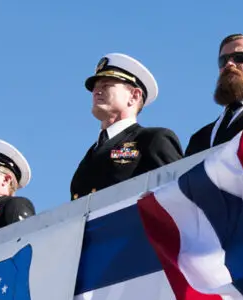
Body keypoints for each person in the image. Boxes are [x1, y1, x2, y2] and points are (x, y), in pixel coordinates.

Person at [70, 53, 182, 200]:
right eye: (95, 87)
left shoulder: (153, 140)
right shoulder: (88, 157)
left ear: (134, 96)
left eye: (106, 85)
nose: (96, 92)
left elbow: (178, 198)